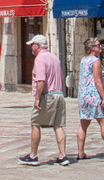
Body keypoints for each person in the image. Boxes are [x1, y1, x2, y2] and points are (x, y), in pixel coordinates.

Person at [20, 34, 70, 166]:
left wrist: (37, 98)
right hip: (59, 94)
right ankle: (63, 155)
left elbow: (40, 80)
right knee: (58, 125)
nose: (31, 48)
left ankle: (33, 156)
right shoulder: (54, 58)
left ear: (37, 45)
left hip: (47, 95)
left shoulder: (40, 59)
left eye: (32, 45)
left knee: (35, 123)